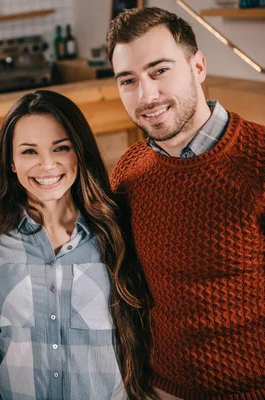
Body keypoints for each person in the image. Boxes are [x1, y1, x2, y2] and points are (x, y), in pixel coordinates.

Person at [107, 7, 265, 399]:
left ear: (198, 67)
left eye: (160, 71)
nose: (147, 95)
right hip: (162, 390)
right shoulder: (128, 173)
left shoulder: (259, 162)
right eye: (129, 80)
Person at [0, 90, 153, 400]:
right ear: (11, 162)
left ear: (78, 153)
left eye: (61, 148)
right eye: (29, 151)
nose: (46, 164)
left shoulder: (115, 229)